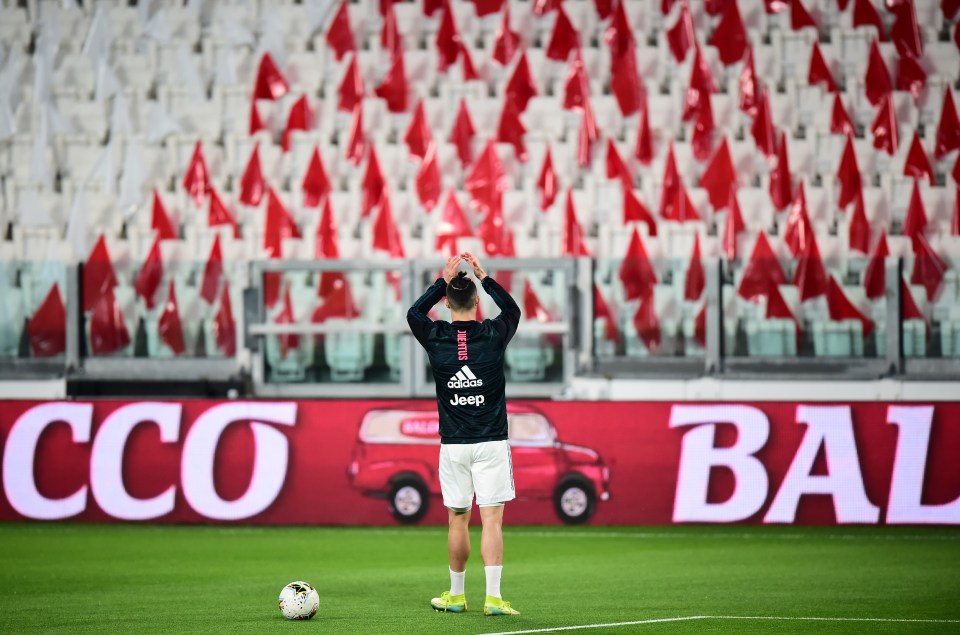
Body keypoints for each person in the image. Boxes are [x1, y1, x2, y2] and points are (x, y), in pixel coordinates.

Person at [406, 252, 522, 617]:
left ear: (447, 302)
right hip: (491, 442)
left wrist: (441, 282)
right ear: (475, 301)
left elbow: (413, 314)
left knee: (458, 517)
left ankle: (456, 595)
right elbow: (513, 311)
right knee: (491, 520)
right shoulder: (491, 335)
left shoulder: (436, 336)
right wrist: (486, 280)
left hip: (454, 445)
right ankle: (493, 598)